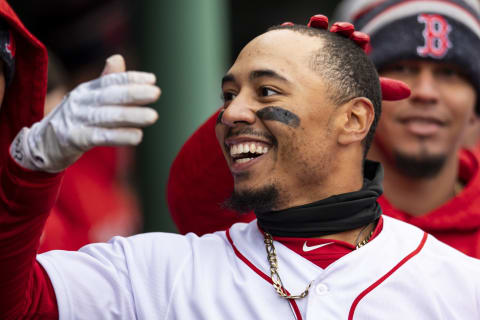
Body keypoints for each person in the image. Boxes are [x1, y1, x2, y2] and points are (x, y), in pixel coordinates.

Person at [2, 11, 480, 319]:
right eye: (229, 95)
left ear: (354, 119)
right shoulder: (154, 273)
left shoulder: (461, 287)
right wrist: (29, 170)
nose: (229, 113)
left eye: (267, 91)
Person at [168, 0, 480, 258]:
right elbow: (195, 196)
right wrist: (267, 81)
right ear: (356, 105)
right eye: (402, 68)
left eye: (449, 74)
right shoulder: (288, 201)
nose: (426, 92)